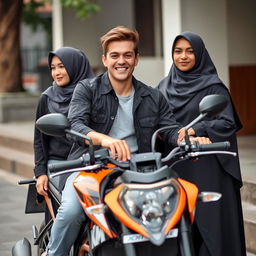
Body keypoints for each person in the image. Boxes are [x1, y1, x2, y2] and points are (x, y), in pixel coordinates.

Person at [45, 26, 210, 256]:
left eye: (127, 55)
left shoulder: (153, 96)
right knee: (72, 211)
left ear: (136, 59)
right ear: (105, 59)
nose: (121, 61)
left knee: (182, 206)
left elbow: (170, 131)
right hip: (92, 169)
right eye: (114, 55)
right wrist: (106, 141)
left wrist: (189, 137)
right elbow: (75, 125)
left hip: (140, 173)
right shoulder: (87, 89)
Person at [157, 32, 246, 256]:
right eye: (178, 51)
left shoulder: (214, 87)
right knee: (178, 227)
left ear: (200, 54)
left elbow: (227, 123)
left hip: (208, 166)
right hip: (175, 165)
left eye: (190, 51)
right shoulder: (163, 87)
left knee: (211, 226)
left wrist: (198, 129)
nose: (183, 56)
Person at [33, 47, 94, 256]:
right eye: (53, 68)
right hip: (59, 165)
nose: (57, 72)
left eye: (62, 66)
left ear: (76, 67)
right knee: (71, 211)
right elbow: (39, 140)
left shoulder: (92, 91)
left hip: (89, 161)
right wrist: (40, 173)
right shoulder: (47, 98)